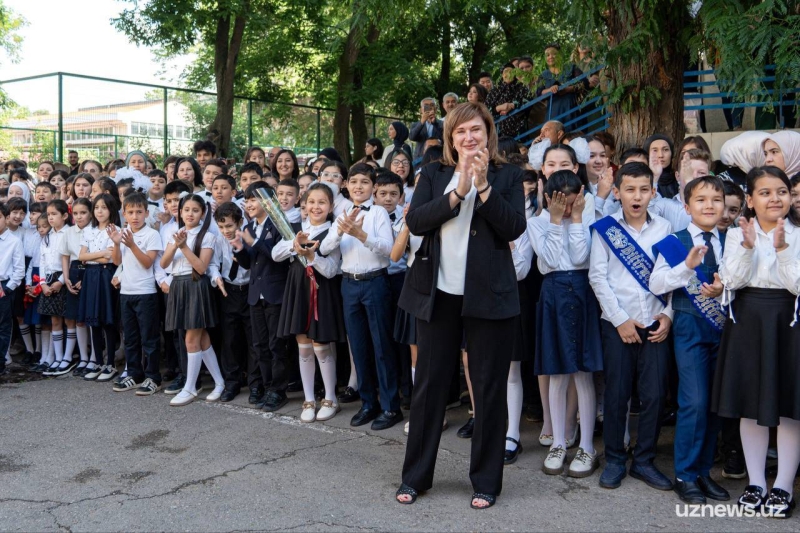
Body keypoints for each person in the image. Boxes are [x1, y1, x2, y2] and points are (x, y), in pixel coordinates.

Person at [395, 102, 526, 510]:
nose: (469, 137)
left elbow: (514, 227)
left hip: (490, 297)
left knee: (488, 389)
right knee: (429, 387)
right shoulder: (433, 174)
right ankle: (415, 476)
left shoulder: (508, 175)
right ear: (451, 138)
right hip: (437, 295)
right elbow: (416, 222)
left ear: (488, 133)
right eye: (460, 132)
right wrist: (460, 192)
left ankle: (485, 481)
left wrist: (484, 187)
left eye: (476, 129)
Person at [712, 166, 800, 518]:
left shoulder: (798, 233)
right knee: (750, 404)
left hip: (788, 322)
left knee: (788, 408)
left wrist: (781, 249)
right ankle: (756, 482)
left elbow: (797, 285)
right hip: (748, 320)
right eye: (764, 192)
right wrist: (748, 247)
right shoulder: (737, 235)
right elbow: (730, 280)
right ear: (750, 199)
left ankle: (782, 485)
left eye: (781, 191)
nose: (774, 198)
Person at [589, 162, 674, 491]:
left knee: (653, 396)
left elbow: (676, 277)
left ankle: (644, 461)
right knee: (617, 394)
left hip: (655, 324)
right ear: (618, 192)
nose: (636, 196)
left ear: (653, 193)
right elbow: (597, 277)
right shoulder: (605, 228)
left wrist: (668, 315)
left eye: (643, 190)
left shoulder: (665, 229)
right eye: (629, 189)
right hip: (617, 325)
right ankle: (614, 459)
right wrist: (620, 320)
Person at [650, 176, 731, 504]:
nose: (709, 205)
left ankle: (702, 472)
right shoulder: (676, 240)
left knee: (713, 404)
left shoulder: (733, 239)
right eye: (701, 200)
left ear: (725, 206)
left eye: (716, 199)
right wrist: (686, 267)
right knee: (694, 402)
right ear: (687, 207)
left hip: (725, 330)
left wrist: (724, 288)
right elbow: (657, 283)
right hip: (689, 328)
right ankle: (684, 474)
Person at [529, 170, 602, 478]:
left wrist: (576, 220)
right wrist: (557, 222)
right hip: (553, 294)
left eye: (573, 203)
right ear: (549, 200)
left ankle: (586, 445)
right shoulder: (536, 222)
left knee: (583, 374)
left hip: (584, 292)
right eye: (562, 204)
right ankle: (558, 442)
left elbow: (582, 254)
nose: (569, 208)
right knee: (558, 373)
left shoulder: (588, 218)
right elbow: (550, 259)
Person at [319, 163, 400, 430]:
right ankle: (368, 403)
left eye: (364, 182)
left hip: (376, 282)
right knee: (358, 346)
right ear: (346, 185)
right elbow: (325, 248)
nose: (358, 187)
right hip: (349, 284)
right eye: (354, 182)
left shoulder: (377, 212)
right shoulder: (340, 213)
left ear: (373, 187)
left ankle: (390, 407)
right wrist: (342, 230)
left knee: (382, 346)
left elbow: (388, 250)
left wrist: (361, 235)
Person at [273, 182, 345, 422]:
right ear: (304, 204)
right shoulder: (295, 230)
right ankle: (309, 399)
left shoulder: (334, 232)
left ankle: (330, 398)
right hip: (297, 290)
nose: (316, 207)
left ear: (331, 206)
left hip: (321, 291)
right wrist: (295, 244)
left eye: (322, 202)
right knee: (303, 345)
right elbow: (276, 254)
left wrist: (312, 256)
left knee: (321, 346)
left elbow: (332, 270)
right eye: (312, 202)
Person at [161, 193, 224, 406]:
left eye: (195, 210)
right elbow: (163, 264)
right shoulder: (175, 234)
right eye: (186, 210)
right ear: (180, 212)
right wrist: (174, 244)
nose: (190, 214)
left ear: (203, 213)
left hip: (196, 285)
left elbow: (201, 267)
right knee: (202, 337)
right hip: (178, 285)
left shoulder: (207, 236)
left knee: (191, 339)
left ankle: (190, 387)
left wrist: (183, 246)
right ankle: (219, 382)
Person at [233, 182, 291, 412]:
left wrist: (254, 242)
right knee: (260, 345)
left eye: (254, 200)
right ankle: (267, 387)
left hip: (275, 293)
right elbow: (250, 263)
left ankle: (279, 390)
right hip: (255, 294)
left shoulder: (279, 224)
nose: (249, 204)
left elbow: (277, 256)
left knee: (277, 345)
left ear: (267, 202)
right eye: (247, 201)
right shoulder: (249, 227)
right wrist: (239, 249)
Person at [108, 192, 165, 395]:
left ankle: (153, 377)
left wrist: (131, 245)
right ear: (124, 214)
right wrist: (117, 243)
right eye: (130, 212)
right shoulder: (123, 234)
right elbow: (117, 262)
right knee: (131, 337)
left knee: (149, 337)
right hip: (126, 292)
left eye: (139, 212)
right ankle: (134, 373)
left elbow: (148, 262)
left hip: (146, 292)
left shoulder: (151, 234)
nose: (135, 216)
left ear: (146, 213)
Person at [211, 202, 252, 402]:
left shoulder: (248, 238)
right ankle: (232, 382)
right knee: (230, 340)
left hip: (249, 290)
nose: (226, 231)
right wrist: (216, 276)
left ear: (240, 222)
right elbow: (212, 263)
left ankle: (255, 383)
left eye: (230, 226)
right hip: (228, 291)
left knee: (253, 340)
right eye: (222, 226)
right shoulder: (218, 240)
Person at [78, 194, 120, 382]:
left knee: (107, 320)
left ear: (111, 209)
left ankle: (110, 362)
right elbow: (81, 257)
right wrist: (100, 253)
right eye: (97, 207)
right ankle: (96, 361)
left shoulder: (115, 230)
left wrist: (94, 256)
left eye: (104, 207)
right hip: (91, 276)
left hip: (106, 275)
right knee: (93, 321)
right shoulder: (89, 230)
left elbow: (108, 259)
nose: (100, 211)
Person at [59, 197, 92, 377]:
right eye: (76, 213)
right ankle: (83, 358)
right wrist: (66, 278)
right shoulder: (69, 232)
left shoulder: (94, 231)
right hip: (72, 272)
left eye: (84, 213)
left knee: (90, 316)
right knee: (76, 318)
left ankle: (93, 357)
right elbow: (65, 256)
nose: (79, 217)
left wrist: (85, 277)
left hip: (89, 271)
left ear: (90, 213)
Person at [38, 200, 72, 376]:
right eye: (48, 214)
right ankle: (57, 358)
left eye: (54, 214)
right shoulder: (47, 236)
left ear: (65, 216)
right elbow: (42, 261)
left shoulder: (70, 234)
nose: (50, 218)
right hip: (49, 280)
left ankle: (67, 358)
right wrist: (43, 283)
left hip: (64, 279)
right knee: (54, 321)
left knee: (69, 320)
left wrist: (60, 280)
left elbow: (71, 259)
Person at [0, 203, 25, 376]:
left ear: (6, 218)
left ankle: (1, 361)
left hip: (4, 287)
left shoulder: (14, 241)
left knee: (3, 326)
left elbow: (19, 270)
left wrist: (7, 289)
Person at [536, 44, 587, 126]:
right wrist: (550, 90)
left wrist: (568, 89)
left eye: (554, 54)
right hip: (553, 111)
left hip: (571, 106)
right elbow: (539, 93)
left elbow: (584, 82)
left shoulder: (571, 67)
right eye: (547, 55)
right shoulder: (543, 75)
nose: (550, 57)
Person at [486, 62, 533, 138]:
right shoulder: (494, 91)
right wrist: (499, 108)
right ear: (502, 75)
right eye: (505, 71)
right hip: (499, 133)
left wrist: (513, 105)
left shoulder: (521, 87)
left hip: (519, 131)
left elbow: (529, 101)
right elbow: (485, 110)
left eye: (511, 71)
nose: (508, 74)